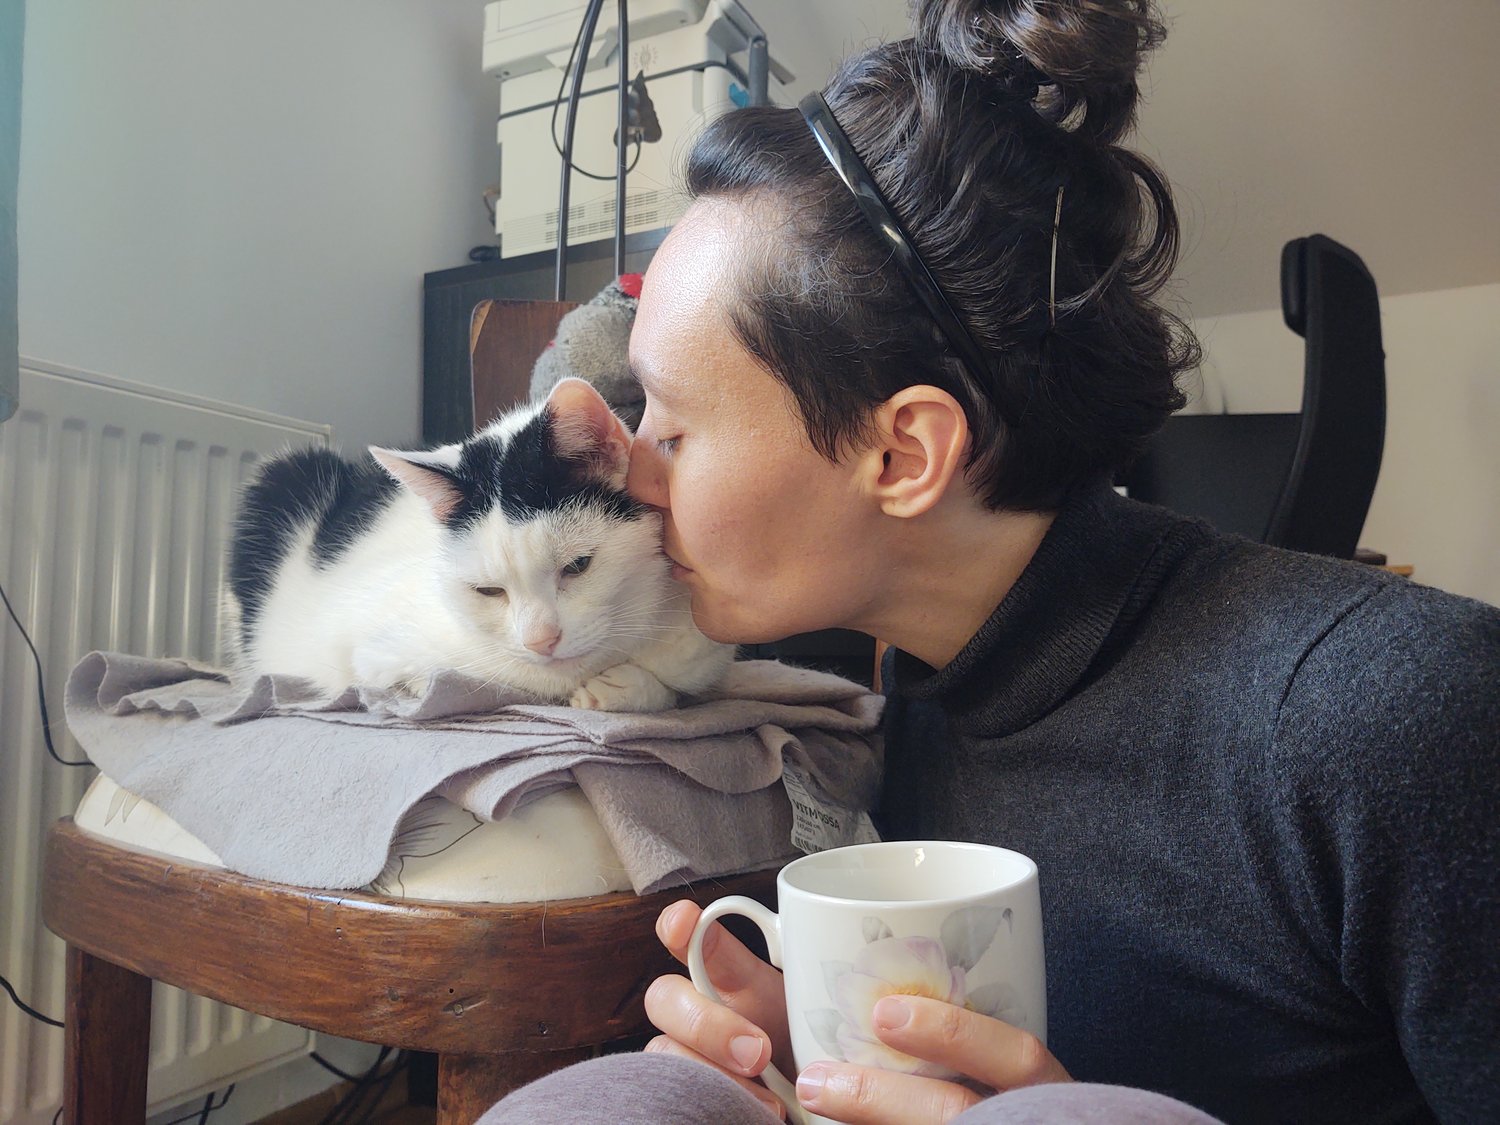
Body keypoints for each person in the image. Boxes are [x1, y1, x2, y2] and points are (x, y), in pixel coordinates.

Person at [482, 0, 1500, 1121]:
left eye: (671, 430)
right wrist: (810, 1040)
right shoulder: (921, 701)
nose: (631, 477)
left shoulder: (1395, 714)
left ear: (904, 452)